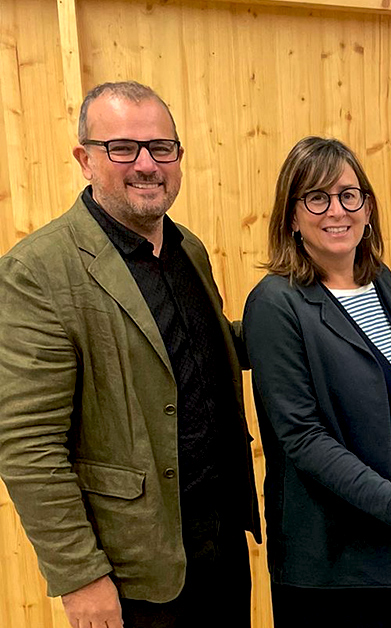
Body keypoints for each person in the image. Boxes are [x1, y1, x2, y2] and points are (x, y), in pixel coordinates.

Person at [0, 81, 260, 627]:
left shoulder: (188, 247)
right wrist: (80, 577)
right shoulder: (38, 271)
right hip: (133, 573)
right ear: (85, 159)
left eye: (161, 148)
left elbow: (197, 358)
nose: (147, 164)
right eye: (123, 148)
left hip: (220, 551)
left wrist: (306, 321)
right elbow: (26, 444)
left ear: (178, 156)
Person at [244, 137, 391, 627]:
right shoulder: (275, 304)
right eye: (317, 198)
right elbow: (303, 438)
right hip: (330, 564)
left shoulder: (379, 280)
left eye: (349, 195)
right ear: (291, 215)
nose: (336, 211)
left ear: (367, 208)